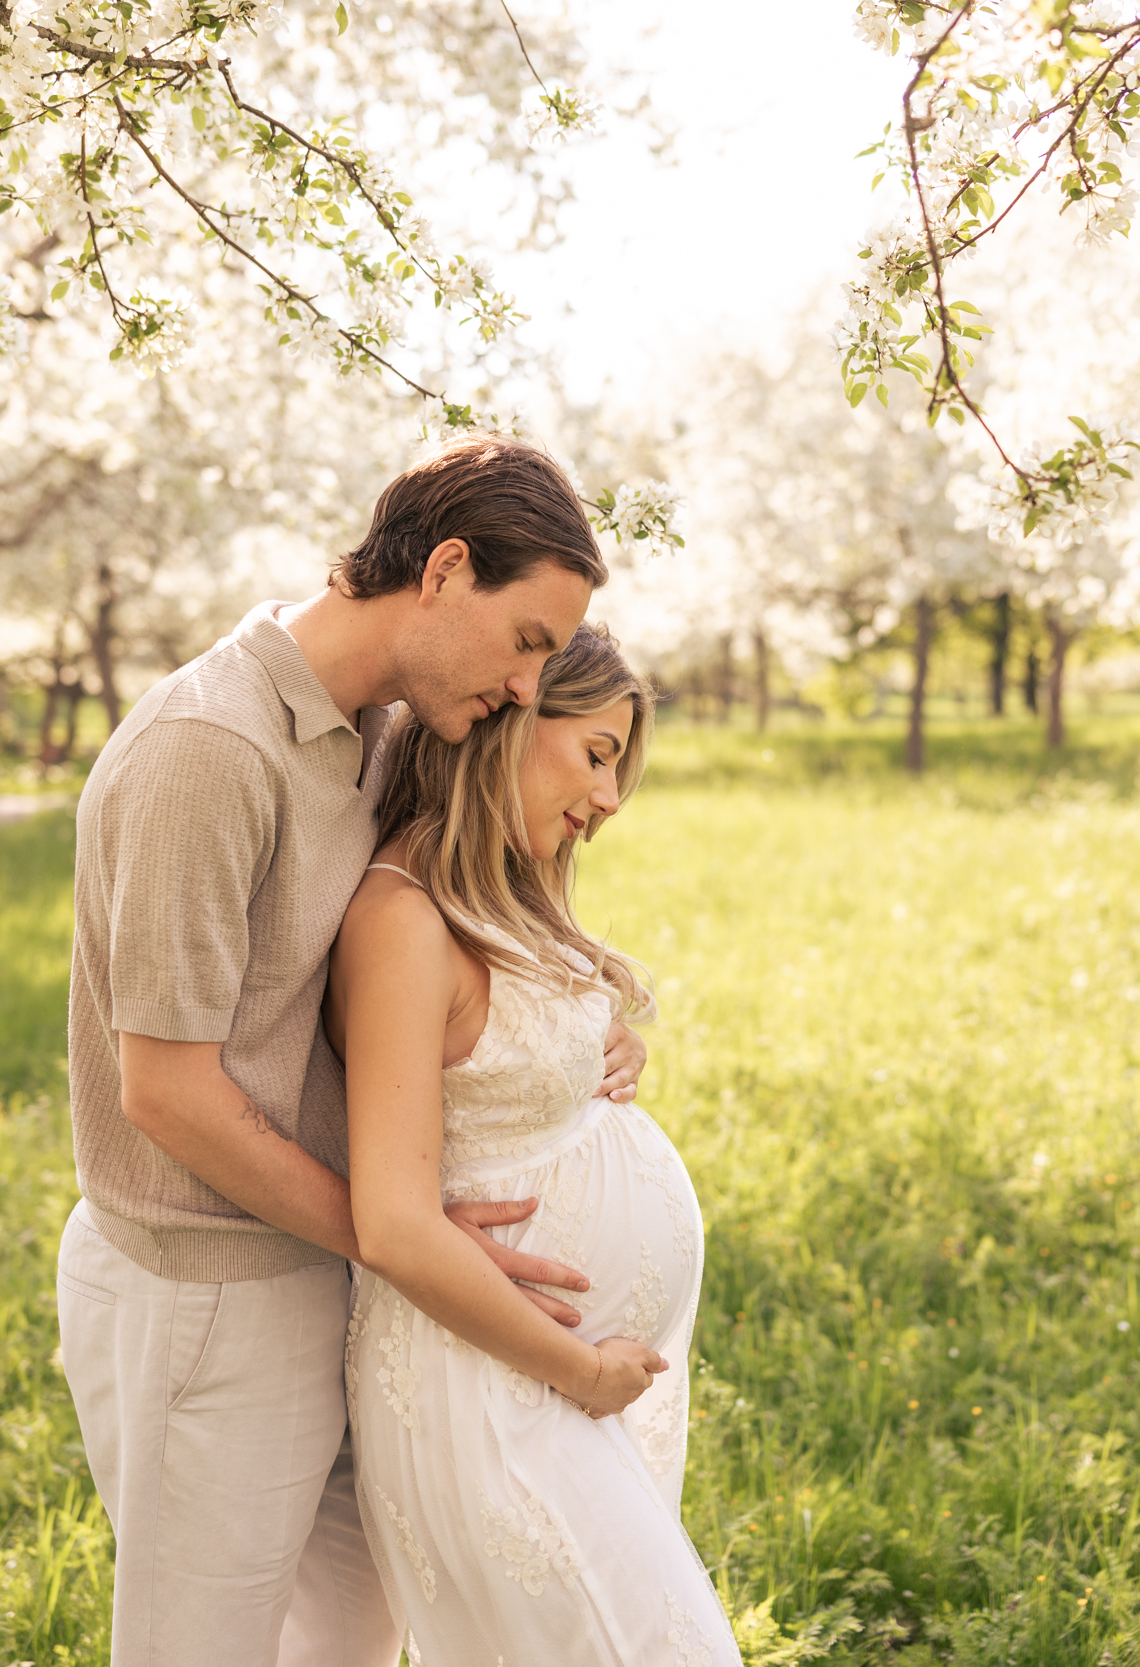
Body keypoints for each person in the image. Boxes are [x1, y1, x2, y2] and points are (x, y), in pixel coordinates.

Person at [56, 435, 650, 1666]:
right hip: (211, 1292)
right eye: (526, 641)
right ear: (444, 570)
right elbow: (167, 1091)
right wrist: (406, 1233)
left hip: (351, 1278)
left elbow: (435, 934)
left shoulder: (381, 728)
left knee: (348, 1648)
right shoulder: (209, 748)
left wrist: (577, 1036)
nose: (528, 687)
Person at [326, 624, 740, 1664]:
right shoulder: (402, 920)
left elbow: (511, 1060)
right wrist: (580, 1369)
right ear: (509, 719)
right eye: (597, 754)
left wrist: (607, 1049)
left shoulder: (501, 888)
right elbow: (394, 1225)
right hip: (493, 1385)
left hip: (550, 1384)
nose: (608, 798)